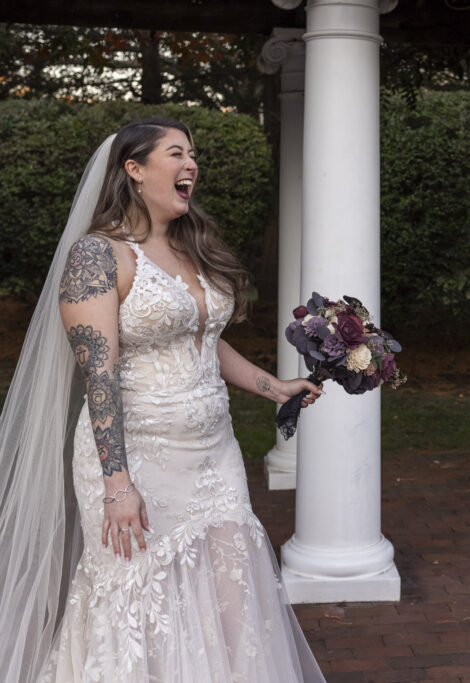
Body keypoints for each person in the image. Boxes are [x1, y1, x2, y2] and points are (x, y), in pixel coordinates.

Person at [0, 118, 326, 682]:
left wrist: (275, 388)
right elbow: (98, 375)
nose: (191, 165)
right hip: (136, 460)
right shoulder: (96, 258)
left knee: (232, 589)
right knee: (140, 602)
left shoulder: (187, 245)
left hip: (213, 455)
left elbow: (203, 338)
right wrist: (117, 485)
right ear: (134, 169)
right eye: (176, 154)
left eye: (193, 155)